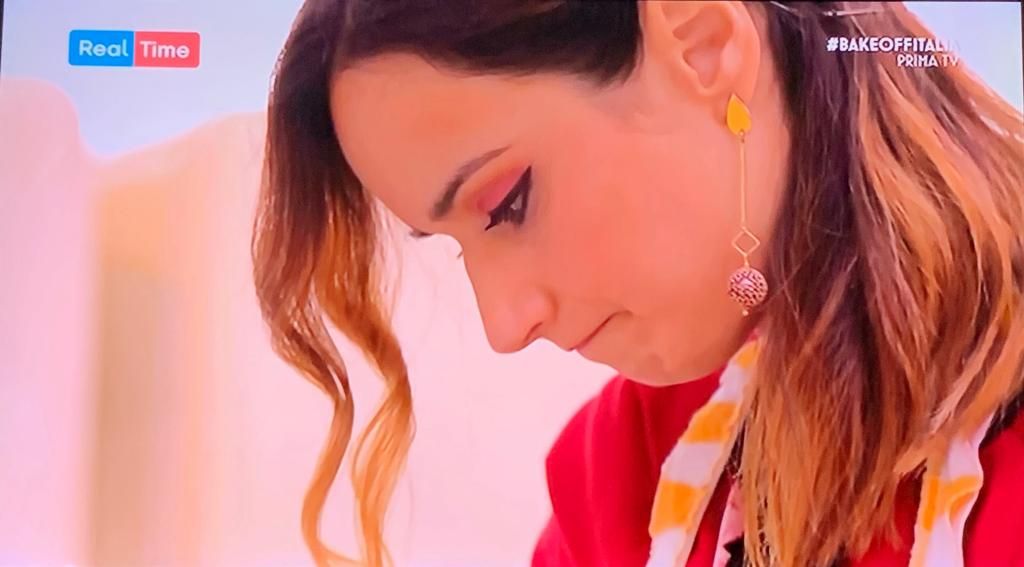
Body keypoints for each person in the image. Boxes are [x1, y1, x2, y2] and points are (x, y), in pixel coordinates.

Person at [251, 1, 1024, 566]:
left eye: (508, 203)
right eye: (455, 249)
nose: (504, 326)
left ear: (703, 42)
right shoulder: (622, 472)